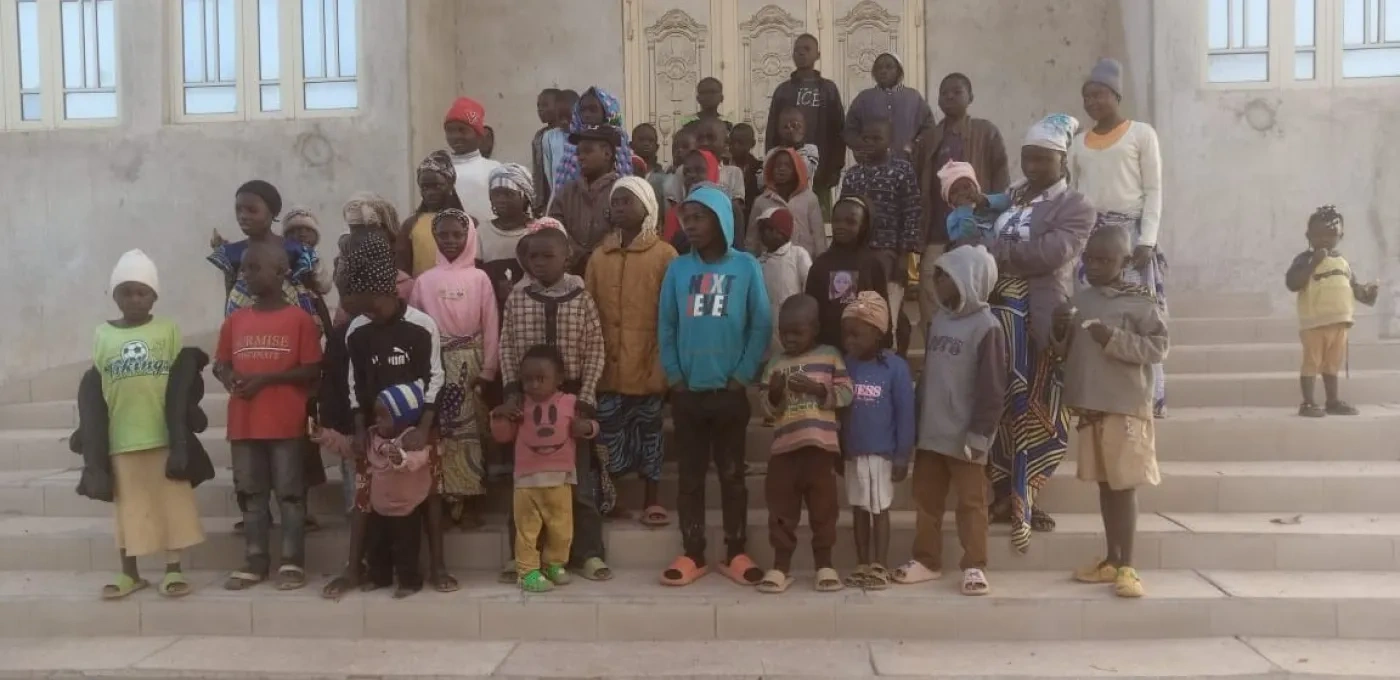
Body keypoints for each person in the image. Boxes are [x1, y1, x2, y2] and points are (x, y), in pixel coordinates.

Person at [958, 113, 1094, 552]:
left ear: (1062, 161)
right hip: (994, 313)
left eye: (1041, 161)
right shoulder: (1016, 195)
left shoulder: (1076, 207)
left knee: (1032, 406)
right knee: (994, 404)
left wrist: (990, 249)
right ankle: (1001, 495)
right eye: (1026, 160)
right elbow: (985, 206)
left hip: (1036, 318)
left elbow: (1049, 255)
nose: (1032, 169)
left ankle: (1027, 497)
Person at [658, 184, 772, 587]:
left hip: (730, 395)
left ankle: (736, 551)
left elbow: (760, 323)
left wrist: (742, 377)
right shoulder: (678, 268)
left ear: (721, 220)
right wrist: (675, 377)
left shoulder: (745, 267)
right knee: (689, 478)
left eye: (699, 217)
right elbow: (667, 325)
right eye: (685, 219)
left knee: (731, 475)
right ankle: (692, 553)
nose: (689, 225)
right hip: (688, 393)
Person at [81, 250, 208, 599]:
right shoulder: (102, 335)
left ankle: (173, 570)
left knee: (171, 506)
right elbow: (96, 386)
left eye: (142, 292)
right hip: (121, 438)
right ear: (115, 296)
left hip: (163, 437)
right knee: (129, 510)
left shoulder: (167, 330)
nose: (134, 299)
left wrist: (183, 427)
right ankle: (129, 573)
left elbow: (182, 384)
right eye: (126, 292)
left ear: (154, 296)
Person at [1054, 225, 1169, 598]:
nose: (1097, 265)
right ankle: (1111, 559)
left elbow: (1158, 349)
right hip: (1092, 406)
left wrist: (1114, 339)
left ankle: (1129, 566)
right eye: (1091, 259)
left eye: (1106, 259)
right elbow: (1067, 351)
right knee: (1106, 486)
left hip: (1124, 406)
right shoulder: (1082, 300)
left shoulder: (1141, 301)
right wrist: (1060, 331)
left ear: (1124, 261)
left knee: (1124, 486)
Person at [343, 236, 456, 594]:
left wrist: (424, 428)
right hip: (376, 431)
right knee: (364, 496)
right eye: (361, 309)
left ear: (390, 292)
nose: (368, 314)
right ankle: (354, 568)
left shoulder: (422, 326)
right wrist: (360, 429)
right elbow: (354, 383)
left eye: (372, 306)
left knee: (429, 495)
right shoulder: (357, 330)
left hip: (418, 428)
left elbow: (435, 377)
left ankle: (437, 566)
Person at [499, 227, 611, 581]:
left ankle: (587, 553)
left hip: (570, 405)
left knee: (577, 483)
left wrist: (586, 401)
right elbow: (506, 346)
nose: (541, 263)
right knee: (525, 486)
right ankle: (523, 556)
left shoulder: (581, 299)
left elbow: (595, 350)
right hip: (528, 403)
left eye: (549, 256)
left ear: (567, 258)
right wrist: (512, 390)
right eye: (534, 257)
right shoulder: (518, 299)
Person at [896, 246, 1006, 595]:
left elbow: (993, 388)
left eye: (944, 275)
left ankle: (975, 565)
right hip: (932, 433)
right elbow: (931, 375)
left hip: (967, 439)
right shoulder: (939, 320)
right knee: (927, 500)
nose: (936, 281)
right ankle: (926, 560)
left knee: (971, 503)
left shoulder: (987, 327)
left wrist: (979, 435)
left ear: (968, 279)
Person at [215, 242, 323, 591]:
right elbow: (221, 362)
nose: (246, 274)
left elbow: (310, 370)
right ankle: (255, 560)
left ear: (280, 272)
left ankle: (292, 562)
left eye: (255, 268)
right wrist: (229, 377)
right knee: (250, 493)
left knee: (290, 494)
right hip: (245, 422)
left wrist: (267, 380)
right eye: (244, 269)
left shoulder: (300, 320)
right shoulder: (235, 321)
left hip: (285, 423)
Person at [1070, 58, 1169, 417]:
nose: (1092, 102)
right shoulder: (1079, 142)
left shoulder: (1141, 134)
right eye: (1086, 97)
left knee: (1136, 319)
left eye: (1098, 94)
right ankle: (1097, 395)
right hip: (1092, 240)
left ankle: (1147, 397)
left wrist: (1147, 240)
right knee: (1094, 314)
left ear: (1115, 94)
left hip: (1129, 240)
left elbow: (1153, 190)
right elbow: (1076, 191)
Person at [585, 178, 677, 526]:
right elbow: (589, 310)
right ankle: (614, 498)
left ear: (647, 207)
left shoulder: (665, 255)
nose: (620, 207)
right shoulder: (599, 255)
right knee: (610, 434)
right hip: (607, 365)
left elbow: (670, 314)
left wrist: (663, 363)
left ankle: (653, 499)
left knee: (650, 433)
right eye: (616, 202)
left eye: (628, 201)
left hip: (648, 361)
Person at [753, 294, 851, 594]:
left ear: (816, 328)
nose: (790, 339)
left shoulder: (830, 356)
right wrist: (774, 394)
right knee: (781, 509)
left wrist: (818, 389)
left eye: (798, 332)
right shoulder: (776, 364)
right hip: (785, 451)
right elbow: (768, 411)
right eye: (784, 333)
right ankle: (781, 566)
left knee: (824, 510)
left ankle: (824, 564)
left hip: (820, 450)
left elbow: (847, 393)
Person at [409, 209, 499, 528]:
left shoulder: (480, 279)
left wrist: (488, 369)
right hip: (437, 364)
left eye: (457, 235)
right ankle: (446, 499)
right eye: (442, 235)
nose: (450, 241)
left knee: (471, 433)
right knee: (443, 432)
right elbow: (416, 327)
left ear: (469, 237)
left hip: (471, 364)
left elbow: (490, 325)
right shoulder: (424, 281)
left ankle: (472, 498)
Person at [490, 345, 600, 592]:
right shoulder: (518, 405)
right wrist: (499, 415)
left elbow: (593, 427)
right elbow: (502, 436)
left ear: (559, 378)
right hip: (526, 484)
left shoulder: (571, 403)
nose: (534, 385)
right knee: (527, 530)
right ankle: (527, 571)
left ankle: (554, 564)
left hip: (560, 481)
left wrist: (586, 428)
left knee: (562, 528)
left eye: (541, 379)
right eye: (528, 379)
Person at [914, 73, 1010, 327]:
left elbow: (1002, 179)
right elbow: (919, 185)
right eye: (944, 92)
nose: (949, 97)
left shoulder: (986, 132)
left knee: (973, 297)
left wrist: (991, 214)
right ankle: (935, 357)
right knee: (932, 298)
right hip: (936, 235)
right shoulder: (930, 138)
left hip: (974, 234)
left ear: (971, 97)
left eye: (956, 92)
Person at [839, 292, 914, 590]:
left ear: (878, 333)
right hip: (854, 453)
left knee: (879, 509)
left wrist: (902, 456)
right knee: (858, 507)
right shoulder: (846, 364)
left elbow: (905, 414)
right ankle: (861, 563)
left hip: (881, 454)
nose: (849, 341)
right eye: (846, 334)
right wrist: (839, 448)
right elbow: (841, 411)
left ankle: (880, 564)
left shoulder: (895, 369)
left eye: (857, 335)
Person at [1285, 206, 1380, 417]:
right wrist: (1312, 264)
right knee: (1312, 362)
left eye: (1331, 234)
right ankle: (1308, 402)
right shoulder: (1305, 259)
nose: (1325, 239)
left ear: (1341, 236)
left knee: (1332, 364)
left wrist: (1368, 294)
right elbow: (1292, 283)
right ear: (1308, 236)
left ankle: (1332, 401)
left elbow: (1355, 289)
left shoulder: (1343, 263)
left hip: (1340, 323)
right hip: (1314, 324)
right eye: (1319, 235)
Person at [840, 117, 922, 332]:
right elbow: (842, 213)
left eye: (877, 138)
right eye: (866, 138)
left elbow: (912, 214)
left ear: (890, 140)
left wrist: (905, 257)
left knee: (887, 311)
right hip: (855, 254)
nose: (870, 143)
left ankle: (893, 357)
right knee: (855, 308)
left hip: (888, 253)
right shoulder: (853, 175)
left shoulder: (902, 171)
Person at [209, 180, 324, 330]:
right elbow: (231, 293)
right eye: (238, 210)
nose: (243, 216)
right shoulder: (233, 253)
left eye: (252, 210)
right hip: (248, 332)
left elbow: (312, 293)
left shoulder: (295, 251)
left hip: (291, 330)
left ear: (273, 212)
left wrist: (326, 332)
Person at [362, 384, 433, 598]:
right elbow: (348, 446)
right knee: (376, 546)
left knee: (406, 549)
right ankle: (379, 577)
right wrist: (326, 436)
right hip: (379, 508)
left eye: (384, 417)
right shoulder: (373, 438)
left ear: (402, 419)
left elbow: (419, 458)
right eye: (376, 416)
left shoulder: (412, 439)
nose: (377, 421)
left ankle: (410, 582)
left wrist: (401, 459)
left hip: (405, 509)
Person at [765, 34, 845, 217]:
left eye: (807, 49)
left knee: (819, 222)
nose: (801, 53)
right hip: (786, 170)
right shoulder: (783, 90)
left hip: (821, 172)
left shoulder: (828, 89)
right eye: (797, 50)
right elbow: (771, 132)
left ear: (818, 54)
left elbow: (839, 130)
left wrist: (835, 167)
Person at [806, 196, 889, 351]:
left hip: (864, 351)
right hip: (827, 349)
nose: (841, 226)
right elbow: (811, 309)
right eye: (836, 221)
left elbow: (883, 309)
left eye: (850, 222)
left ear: (864, 226)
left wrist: (884, 345)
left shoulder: (873, 264)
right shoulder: (820, 265)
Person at [549, 125, 623, 275]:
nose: (581, 157)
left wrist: (596, 255)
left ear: (607, 154)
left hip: (609, 272)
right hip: (571, 272)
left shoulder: (622, 191)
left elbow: (623, 229)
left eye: (588, 151)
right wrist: (576, 252)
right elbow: (554, 226)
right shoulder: (566, 192)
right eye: (579, 153)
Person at [550, 86, 634, 206]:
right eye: (583, 110)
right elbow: (562, 186)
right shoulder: (572, 143)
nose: (587, 115)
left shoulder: (620, 142)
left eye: (593, 110)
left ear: (607, 112)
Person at [843, 52, 933, 161]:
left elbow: (929, 128)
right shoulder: (864, 98)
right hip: (871, 166)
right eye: (879, 68)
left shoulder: (913, 97)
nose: (883, 71)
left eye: (889, 67)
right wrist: (861, 146)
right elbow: (849, 130)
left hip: (908, 164)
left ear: (899, 71)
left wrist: (915, 145)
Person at [399, 150, 469, 277]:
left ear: (450, 185)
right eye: (425, 187)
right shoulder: (410, 225)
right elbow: (403, 268)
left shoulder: (467, 222)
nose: (430, 192)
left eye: (437, 186)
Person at [755, 207, 812, 356]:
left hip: (794, 328)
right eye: (761, 230)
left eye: (766, 229)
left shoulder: (798, 255)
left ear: (781, 232)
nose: (762, 234)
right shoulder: (758, 263)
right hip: (766, 330)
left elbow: (809, 289)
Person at [748, 148, 825, 257]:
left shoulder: (810, 199)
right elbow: (752, 239)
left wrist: (820, 265)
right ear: (770, 169)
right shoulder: (761, 201)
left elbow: (819, 238)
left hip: (804, 265)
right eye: (777, 166)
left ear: (797, 169)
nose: (781, 169)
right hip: (771, 264)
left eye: (788, 166)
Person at [482, 163, 537, 309]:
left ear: (525, 197)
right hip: (493, 307)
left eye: (508, 194)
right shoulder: (481, 232)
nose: (500, 199)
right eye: (495, 193)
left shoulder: (538, 230)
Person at [445, 97, 503, 227]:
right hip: (449, 240)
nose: (455, 136)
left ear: (478, 134)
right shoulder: (441, 168)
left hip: (485, 240)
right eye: (450, 130)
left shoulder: (495, 169)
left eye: (462, 130)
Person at [662, 148, 721, 252]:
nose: (691, 175)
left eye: (699, 170)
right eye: (687, 172)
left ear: (713, 172)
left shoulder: (726, 211)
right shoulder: (675, 214)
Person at [937, 161, 1010, 242]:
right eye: (954, 192)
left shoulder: (988, 204)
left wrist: (985, 201)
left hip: (1001, 248)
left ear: (976, 187)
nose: (962, 193)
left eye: (966, 187)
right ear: (950, 201)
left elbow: (1007, 202)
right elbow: (965, 239)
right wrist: (965, 210)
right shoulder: (953, 219)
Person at [539, 89, 579, 214]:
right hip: (558, 201)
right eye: (560, 117)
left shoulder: (586, 137)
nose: (564, 122)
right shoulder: (549, 138)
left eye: (569, 117)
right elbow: (549, 174)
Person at [282, 208, 335, 297]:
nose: (303, 234)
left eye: (308, 230)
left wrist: (315, 266)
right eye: (298, 229)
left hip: (311, 302)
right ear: (288, 234)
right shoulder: (280, 254)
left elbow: (325, 287)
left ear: (315, 236)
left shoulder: (315, 257)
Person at [772, 106, 821, 188]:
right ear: (779, 131)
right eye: (786, 127)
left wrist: (795, 146)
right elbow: (762, 181)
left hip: (802, 199)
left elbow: (805, 171)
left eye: (795, 126)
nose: (791, 130)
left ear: (804, 128)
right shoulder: (773, 152)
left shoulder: (810, 150)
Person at [531, 88, 562, 210]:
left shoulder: (567, 134)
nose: (540, 109)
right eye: (538, 106)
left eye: (545, 105)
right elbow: (537, 170)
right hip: (545, 196)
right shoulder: (539, 136)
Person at [729, 123, 764, 210]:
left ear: (752, 144)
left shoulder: (759, 168)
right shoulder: (724, 167)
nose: (735, 146)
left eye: (741, 143)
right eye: (732, 142)